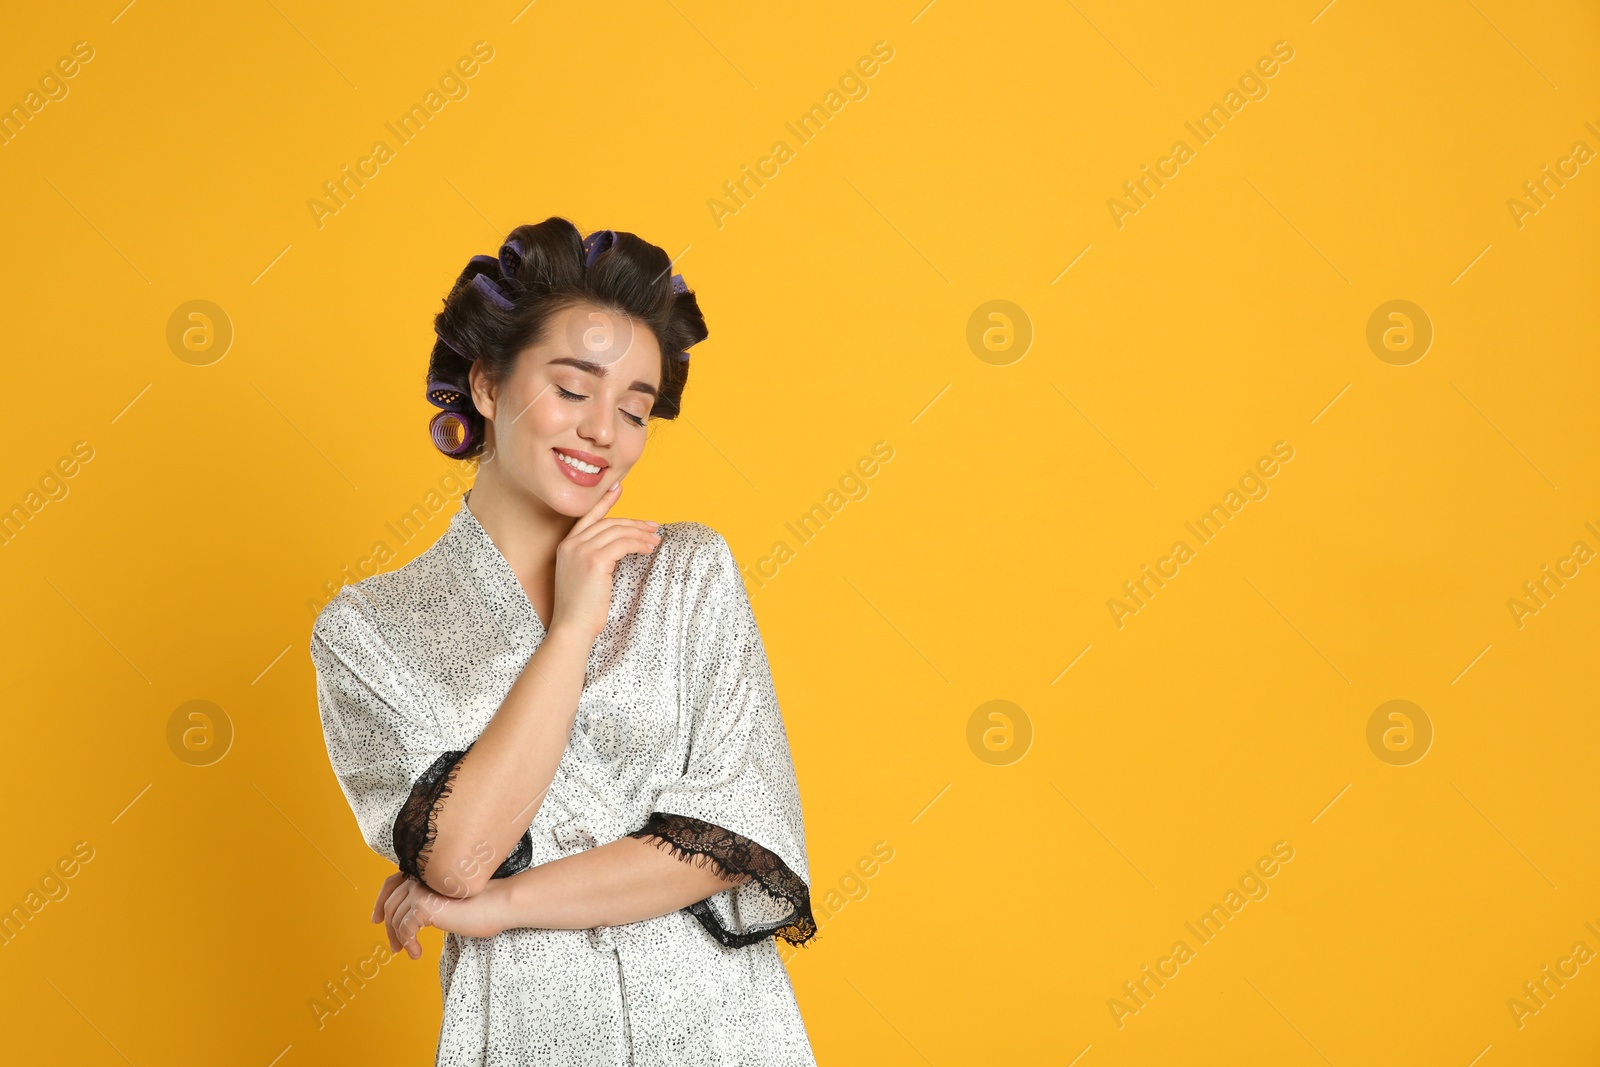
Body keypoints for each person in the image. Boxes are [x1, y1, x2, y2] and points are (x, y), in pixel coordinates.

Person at [309, 217, 818, 1065]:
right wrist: (575, 626)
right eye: (574, 390)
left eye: (634, 408)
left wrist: (504, 908)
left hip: (726, 1035)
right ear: (485, 383)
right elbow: (462, 857)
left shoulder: (688, 574)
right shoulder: (370, 630)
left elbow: (732, 837)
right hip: (521, 1035)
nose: (603, 432)